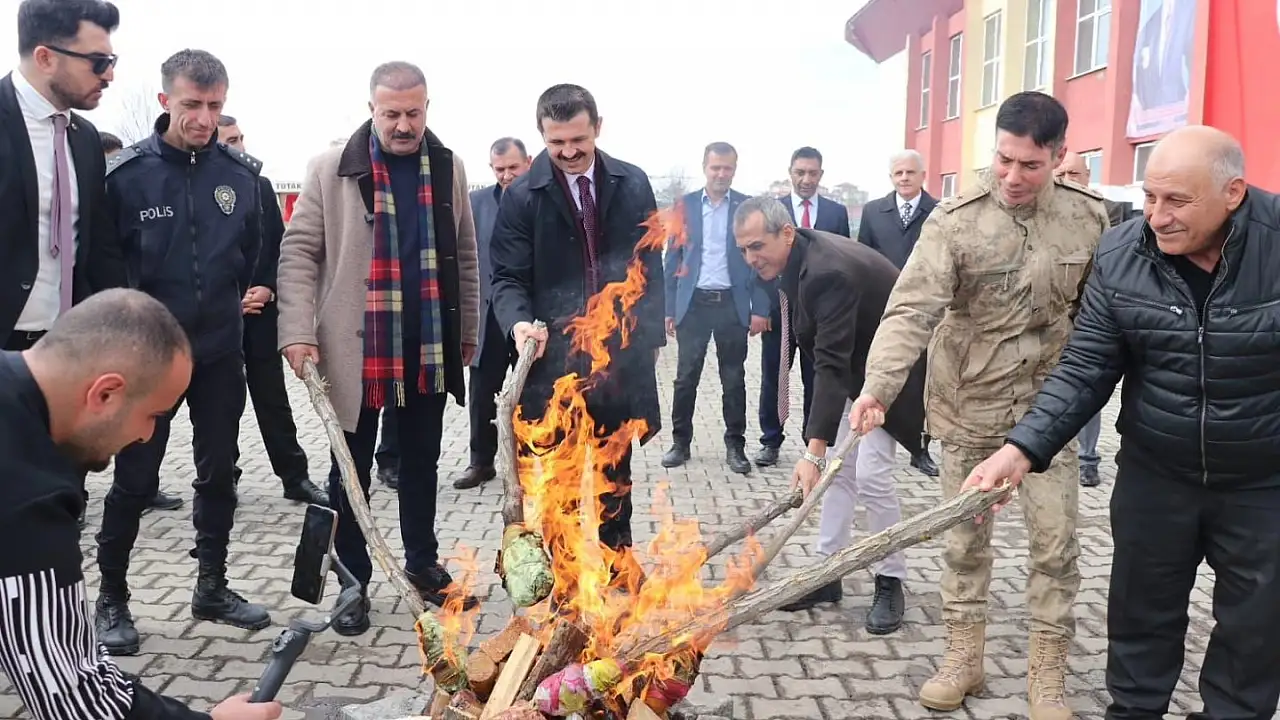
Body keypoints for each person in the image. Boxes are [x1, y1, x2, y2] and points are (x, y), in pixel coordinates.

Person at [965, 125, 1280, 720]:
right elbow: (1086, 368)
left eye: (1176, 202)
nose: (1156, 217)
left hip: (1265, 482)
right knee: (1141, 615)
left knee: (1259, 628)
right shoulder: (1122, 253)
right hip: (1156, 475)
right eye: (1150, 197)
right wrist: (1020, 450)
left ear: (1233, 193)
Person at [846, 91, 1110, 719]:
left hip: (1049, 413)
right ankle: (963, 658)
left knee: (1056, 546)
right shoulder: (955, 220)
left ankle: (1047, 677)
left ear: (1059, 157)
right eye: (1004, 160)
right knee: (965, 545)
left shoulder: (1088, 219)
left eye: (1031, 165)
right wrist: (879, 385)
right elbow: (911, 309)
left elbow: (1102, 315)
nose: (1013, 177)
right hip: (968, 410)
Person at [0, 288, 283, 720]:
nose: (148, 436)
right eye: (153, 414)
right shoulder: (27, 494)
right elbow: (73, 697)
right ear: (106, 394)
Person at [277, 61, 481, 635]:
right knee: (351, 473)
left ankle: (422, 565)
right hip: (354, 350)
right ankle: (353, 579)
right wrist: (295, 332)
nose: (402, 124)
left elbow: (465, 253)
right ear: (371, 109)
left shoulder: (448, 167)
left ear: (426, 108)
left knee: (420, 465)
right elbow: (298, 255)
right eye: (391, 113)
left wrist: (467, 328)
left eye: (413, 112)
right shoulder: (329, 168)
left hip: (428, 346)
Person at [89, 49, 271, 656]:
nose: (204, 117)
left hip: (220, 352)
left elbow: (246, 258)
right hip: (148, 359)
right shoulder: (126, 177)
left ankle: (211, 586)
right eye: (192, 104)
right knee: (136, 480)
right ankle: (111, 597)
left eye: (215, 105)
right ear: (166, 100)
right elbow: (105, 271)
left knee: (220, 471)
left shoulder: (241, 177)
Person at [732, 196, 925, 633]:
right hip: (851, 366)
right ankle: (827, 573)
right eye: (743, 249)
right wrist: (818, 446)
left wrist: (813, 452)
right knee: (838, 473)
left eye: (757, 246)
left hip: (891, 371)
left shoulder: (826, 271)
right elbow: (822, 353)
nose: (751, 258)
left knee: (872, 474)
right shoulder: (793, 258)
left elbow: (832, 363)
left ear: (785, 233)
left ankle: (890, 578)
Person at [489, 83, 663, 568]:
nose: (567, 152)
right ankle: (564, 579)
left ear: (598, 128)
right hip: (553, 363)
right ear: (541, 135)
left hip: (617, 359)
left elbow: (650, 264)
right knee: (558, 480)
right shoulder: (523, 195)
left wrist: (650, 338)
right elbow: (505, 277)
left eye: (577, 141)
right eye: (556, 143)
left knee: (614, 471)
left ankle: (617, 565)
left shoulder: (632, 182)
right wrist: (519, 324)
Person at [2, 0, 118, 534]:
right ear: (46, 56)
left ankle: (51, 615)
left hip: (64, 357)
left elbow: (95, 252)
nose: (110, 75)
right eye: (98, 61)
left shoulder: (86, 139)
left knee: (56, 510)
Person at [215, 114, 326, 506]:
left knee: (273, 401)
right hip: (217, 318)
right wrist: (229, 298)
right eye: (230, 139)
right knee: (220, 404)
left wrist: (268, 287)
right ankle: (221, 477)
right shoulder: (198, 184)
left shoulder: (259, 185)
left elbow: (279, 247)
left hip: (260, 316)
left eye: (241, 137)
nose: (240, 144)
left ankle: (294, 477)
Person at [661, 141, 768, 475]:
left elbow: (763, 263)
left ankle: (735, 446)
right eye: (715, 167)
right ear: (705, 167)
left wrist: (760, 309)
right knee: (685, 379)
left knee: (733, 380)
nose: (721, 173)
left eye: (728, 168)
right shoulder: (685, 206)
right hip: (693, 305)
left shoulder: (748, 209)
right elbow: (672, 260)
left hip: (731, 306)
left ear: (735, 169)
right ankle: (680, 443)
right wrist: (668, 309)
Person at [753, 147, 845, 468]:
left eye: (813, 173)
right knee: (774, 375)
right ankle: (770, 440)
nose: (806, 179)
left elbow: (843, 262)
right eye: (800, 172)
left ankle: (813, 442)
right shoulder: (771, 210)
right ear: (790, 172)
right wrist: (761, 308)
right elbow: (758, 260)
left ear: (821, 174)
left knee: (816, 377)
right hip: (780, 308)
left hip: (821, 314)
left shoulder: (836, 213)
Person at [448, 136, 531, 490]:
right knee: (483, 394)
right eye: (500, 169)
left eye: (513, 167)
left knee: (531, 394)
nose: (507, 175)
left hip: (529, 317)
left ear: (528, 162)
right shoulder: (476, 203)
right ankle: (481, 462)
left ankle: (530, 466)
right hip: (487, 316)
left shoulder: (540, 200)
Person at [856, 149, 940, 477]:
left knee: (926, 379)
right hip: (885, 308)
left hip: (929, 308)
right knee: (888, 370)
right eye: (898, 173)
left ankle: (921, 448)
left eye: (910, 173)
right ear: (891, 177)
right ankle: (884, 433)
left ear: (922, 175)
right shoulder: (874, 211)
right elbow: (864, 254)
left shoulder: (940, 211)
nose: (904, 178)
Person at [1053, 151, 1130, 488]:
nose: (1070, 179)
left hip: (1090, 317)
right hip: (1049, 320)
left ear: (1087, 176)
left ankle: (1087, 459)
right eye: (1063, 173)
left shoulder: (1108, 211)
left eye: (1076, 173)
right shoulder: (1044, 214)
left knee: (1088, 391)